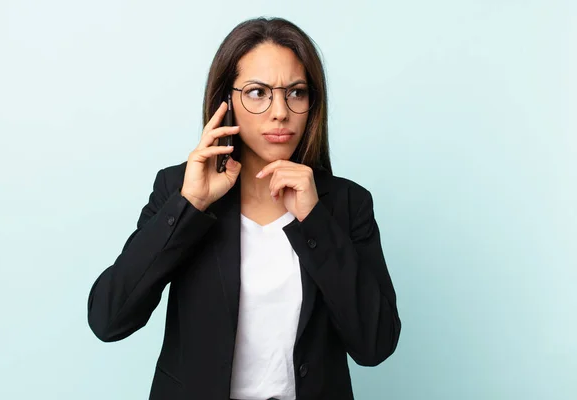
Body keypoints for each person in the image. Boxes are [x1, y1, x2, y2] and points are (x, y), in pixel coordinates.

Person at [87, 16, 401, 400]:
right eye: (257, 92)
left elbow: (376, 345)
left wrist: (315, 221)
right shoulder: (179, 188)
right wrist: (190, 206)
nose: (280, 111)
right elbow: (109, 319)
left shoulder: (347, 204)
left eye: (297, 92)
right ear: (227, 101)